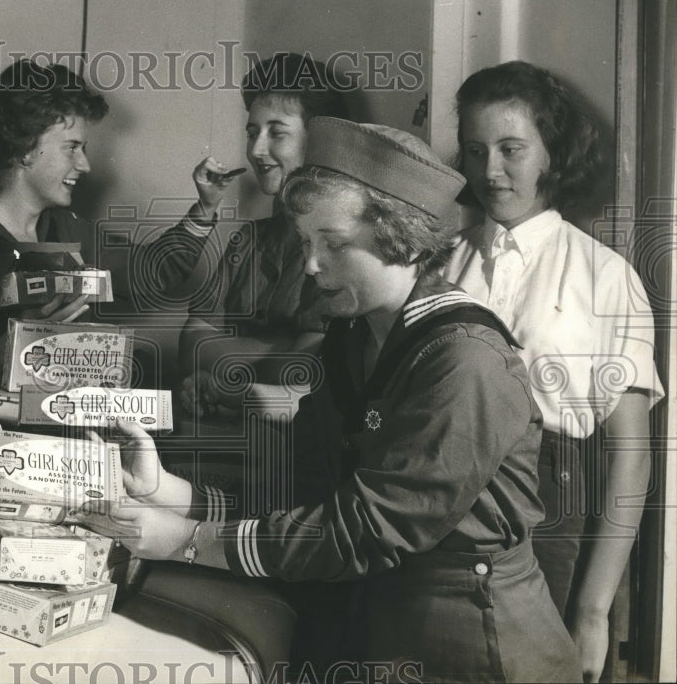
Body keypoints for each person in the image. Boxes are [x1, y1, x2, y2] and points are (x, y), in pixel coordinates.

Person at [82, 116, 582, 683]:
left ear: (403, 236)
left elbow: (363, 527)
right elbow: (308, 488)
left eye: (335, 245)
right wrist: (174, 495)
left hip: (474, 637)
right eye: (304, 243)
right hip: (379, 618)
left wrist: (190, 542)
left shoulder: (465, 359)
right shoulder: (352, 338)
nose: (312, 265)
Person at [444, 60, 664, 682]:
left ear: (551, 155)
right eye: (476, 150)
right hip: (439, 500)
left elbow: (631, 455)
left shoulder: (604, 275)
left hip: (550, 507)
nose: (491, 170)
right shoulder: (441, 268)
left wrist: (593, 612)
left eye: (512, 149)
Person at [0, 58, 217, 386]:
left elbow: (156, 270)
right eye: (72, 148)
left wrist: (207, 206)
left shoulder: (69, 230)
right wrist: (7, 347)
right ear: (24, 150)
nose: (85, 165)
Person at [173, 52, 351, 422]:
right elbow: (190, 343)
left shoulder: (342, 248)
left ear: (319, 140)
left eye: (277, 132)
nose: (256, 150)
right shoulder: (247, 240)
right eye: (253, 132)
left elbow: (304, 369)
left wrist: (220, 369)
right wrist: (276, 350)